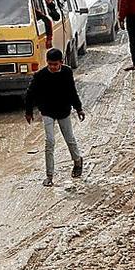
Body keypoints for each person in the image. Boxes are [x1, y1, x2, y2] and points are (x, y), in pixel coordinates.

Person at [24, 48, 85, 187]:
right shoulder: (40, 75)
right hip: (47, 111)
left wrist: (79, 108)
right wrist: (28, 112)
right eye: (50, 64)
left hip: (63, 111)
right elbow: (30, 94)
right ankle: (49, 175)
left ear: (61, 63)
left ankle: (77, 161)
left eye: (55, 64)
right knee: (49, 142)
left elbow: (72, 91)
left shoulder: (67, 72)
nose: (52, 67)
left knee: (70, 139)